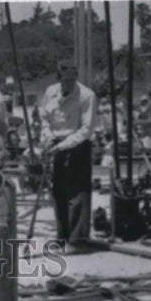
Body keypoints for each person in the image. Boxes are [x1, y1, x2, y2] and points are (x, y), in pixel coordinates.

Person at [38, 60, 96, 251]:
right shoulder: (50, 92)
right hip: (56, 143)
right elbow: (44, 118)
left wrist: (63, 146)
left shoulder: (87, 96)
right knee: (58, 192)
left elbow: (86, 130)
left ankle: (77, 239)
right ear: (59, 79)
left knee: (77, 193)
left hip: (77, 144)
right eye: (65, 79)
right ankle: (62, 236)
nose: (69, 83)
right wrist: (47, 138)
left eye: (73, 79)